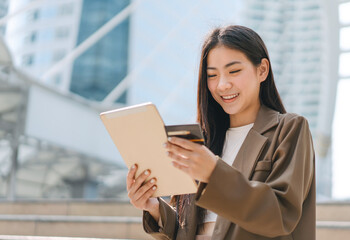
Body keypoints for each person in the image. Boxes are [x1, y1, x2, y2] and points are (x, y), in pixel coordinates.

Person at [126, 25, 316, 240]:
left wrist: (214, 173)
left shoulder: (289, 129)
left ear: (262, 70)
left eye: (234, 71)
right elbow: (190, 230)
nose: (222, 85)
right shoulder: (202, 142)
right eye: (212, 75)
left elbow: (281, 215)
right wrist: (154, 209)